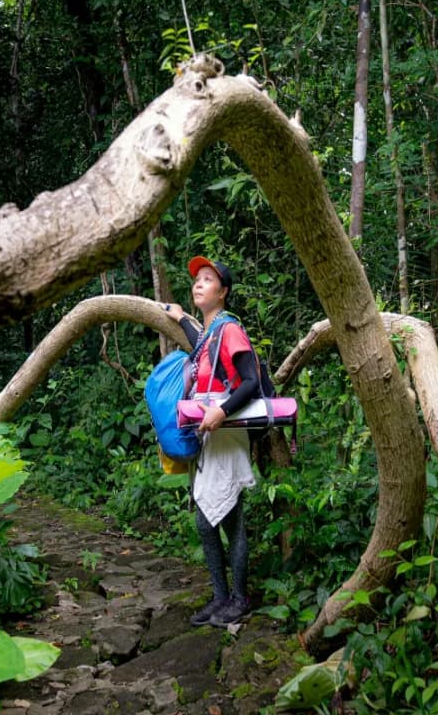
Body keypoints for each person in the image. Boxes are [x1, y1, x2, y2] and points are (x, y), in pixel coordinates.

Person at [162, 256, 259, 627]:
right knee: (209, 521)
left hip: (226, 430)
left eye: (208, 279)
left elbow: (249, 380)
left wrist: (222, 412)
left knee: (225, 519)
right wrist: (180, 316)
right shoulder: (209, 335)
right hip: (210, 435)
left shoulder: (230, 329)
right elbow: (198, 343)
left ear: (224, 292)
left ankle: (237, 599)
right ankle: (222, 598)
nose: (198, 283)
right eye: (197, 279)